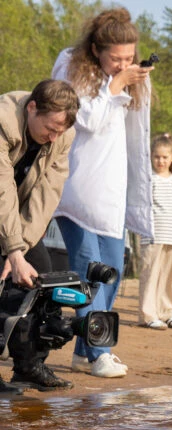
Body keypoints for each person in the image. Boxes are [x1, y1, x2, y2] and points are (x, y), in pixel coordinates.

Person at [52, 7, 154, 378]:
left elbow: (137, 139)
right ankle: (99, 352)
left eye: (129, 58)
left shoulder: (128, 79)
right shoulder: (72, 67)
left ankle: (84, 351)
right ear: (96, 49)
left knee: (112, 271)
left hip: (111, 194)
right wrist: (116, 85)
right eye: (116, 58)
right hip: (75, 190)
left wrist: (130, 82)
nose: (123, 64)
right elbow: (87, 121)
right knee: (88, 271)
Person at [0, 80, 79, 392]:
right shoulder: (3, 120)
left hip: (16, 216)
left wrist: (23, 246)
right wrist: (13, 251)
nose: (54, 137)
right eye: (50, 128)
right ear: (32, 107)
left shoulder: (63, 133)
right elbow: (2, 189)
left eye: (61, 131)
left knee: (42, 278)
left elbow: (47, 194)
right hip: (4, 203)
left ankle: (29, 365)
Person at [138, 133, 172, 331]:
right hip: (152, 236)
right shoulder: (148, 180)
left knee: (169, 277)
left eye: (164, 157)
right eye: (157, 157)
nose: (160, 161)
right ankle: (148, 314)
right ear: (151, 157)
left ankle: (169, 312)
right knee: (150, 276)